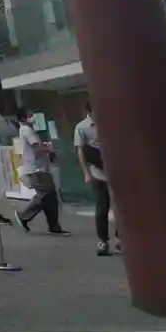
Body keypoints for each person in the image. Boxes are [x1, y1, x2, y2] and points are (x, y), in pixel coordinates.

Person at [12, 107, 68, 236]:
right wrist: (50, 150)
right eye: (30, 115)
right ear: (23, 118)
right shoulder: (26, 130)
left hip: (39, 168)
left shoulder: (25, 130)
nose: (33, 117)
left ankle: (54, 226)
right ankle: (24, 215)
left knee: (50, 197)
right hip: (36, 169)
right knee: (46, 194)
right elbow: (37, 148)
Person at [73, 102, 119, 256]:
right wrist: (86, 173)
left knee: (119, 207)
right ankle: (103, 241)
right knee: (102, 206)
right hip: (98, 171)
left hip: (115, 169)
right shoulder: (82, 127)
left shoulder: (110, 122)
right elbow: (81, 151)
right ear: (89, 112)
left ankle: (120, 238)